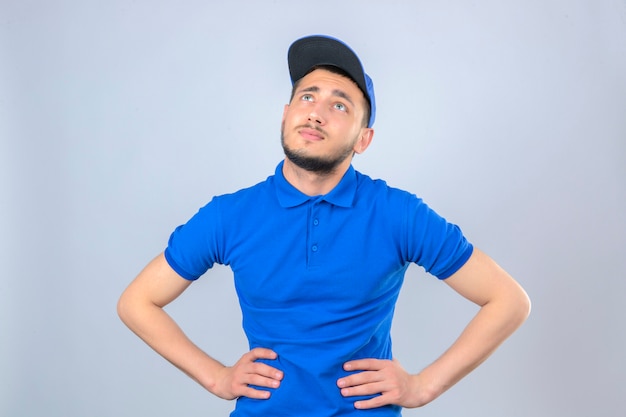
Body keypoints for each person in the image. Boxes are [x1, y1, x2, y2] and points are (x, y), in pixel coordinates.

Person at [117, 34, 531, 416]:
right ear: (286, 114)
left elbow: (508, 300)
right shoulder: (230, 215)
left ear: (363, 139)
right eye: (307, 97)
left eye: (339, 105)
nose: (316, 113)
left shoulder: (397, 214)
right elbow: (137, 302)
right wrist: (216, 376)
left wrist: (423, 386)